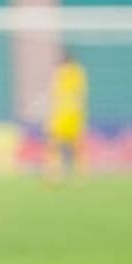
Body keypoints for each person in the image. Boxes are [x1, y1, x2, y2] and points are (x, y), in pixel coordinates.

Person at [45, 48, 88, 184]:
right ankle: (80, 177)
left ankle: (55, 175)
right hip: (76, 115)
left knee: (55, 146)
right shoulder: (79, 72)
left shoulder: (59, 73)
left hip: (60, 114)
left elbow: (54, 95)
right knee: (76, 147)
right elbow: (81, 95)